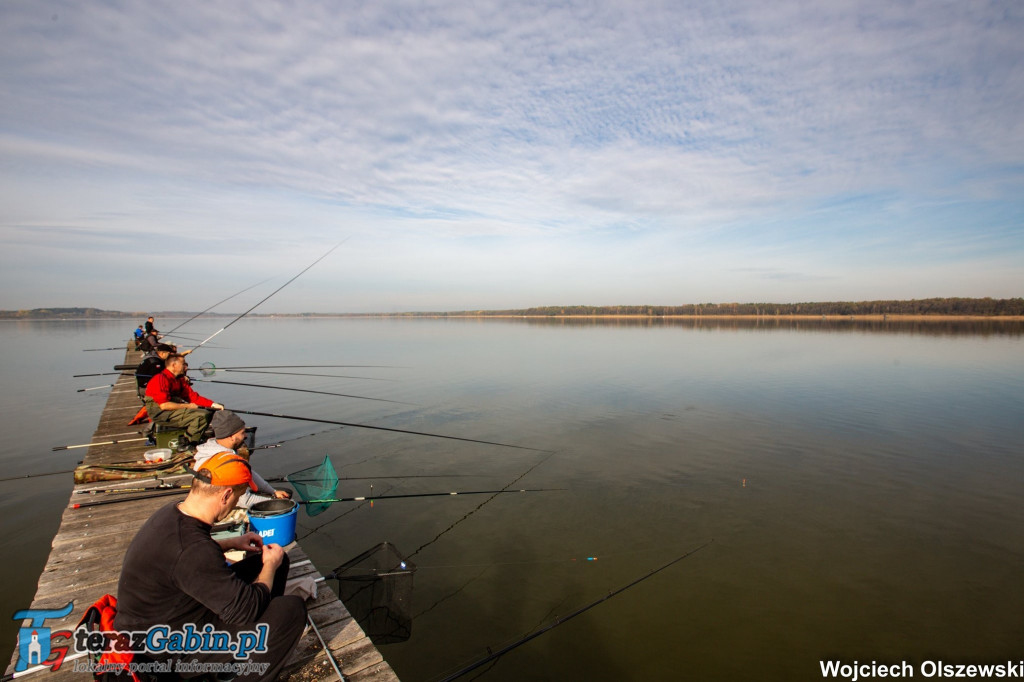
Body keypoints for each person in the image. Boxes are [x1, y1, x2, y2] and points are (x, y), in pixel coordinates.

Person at [114, 452, 307, 681]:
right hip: (166, 653)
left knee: (279, 562)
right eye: (238, 497)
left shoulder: (173, 513)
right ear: (226, 495)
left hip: (162, 620)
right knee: (291, 610)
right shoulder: (192, 549)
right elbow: (245, 608)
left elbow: (186, 557)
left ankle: (251, 647)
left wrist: (230, 543)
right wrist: (269, 566)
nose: (238, 502)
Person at [195, 411, 292, 509]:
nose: (246, 436)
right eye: (242, 433)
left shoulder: (219, 448)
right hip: (221, 506)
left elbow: (249, 472)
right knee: (287, 504)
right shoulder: (226, 463)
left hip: (233, 497)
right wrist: (277, 503)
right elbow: (245, 501)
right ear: (231, 437)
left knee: (284, 494)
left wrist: (273, 491)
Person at [144, 353, 224, 445]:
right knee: (201, 416)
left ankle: (197, 436)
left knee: (209, 411)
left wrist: (213, 405)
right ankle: (187, 442)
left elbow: (192, 397)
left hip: (171, 409)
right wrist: (188, 406)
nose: (186, 367)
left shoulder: (179, 379)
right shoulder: (160, 379)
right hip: (160, 413)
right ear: (174, 365)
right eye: (183, 364)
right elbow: (164, 405)